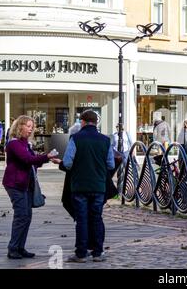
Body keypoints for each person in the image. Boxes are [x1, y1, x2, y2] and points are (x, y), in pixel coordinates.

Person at [60, 110, 115, 263]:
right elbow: (110, 164)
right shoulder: (105, 140)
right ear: (96, 122)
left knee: (82, 219)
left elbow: (68, 162)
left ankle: (81, 253)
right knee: (96, 218)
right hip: (98, 186)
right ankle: (97, 252)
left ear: (82, 122)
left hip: (79, 185)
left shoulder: (75, 138)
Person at [2, 115, 56, 259]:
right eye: (28, 126)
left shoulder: (25, 143)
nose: (31, 129)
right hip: (15, 184)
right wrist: (46, 157)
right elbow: (27, 160)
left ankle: (20, 247)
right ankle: (13, 248)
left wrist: (48, 159)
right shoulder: (14, 144)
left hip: (24, 184)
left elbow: (33, 162)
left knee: (27, 216)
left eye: (32, 126)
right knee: (21, 216)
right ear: (20, 127)